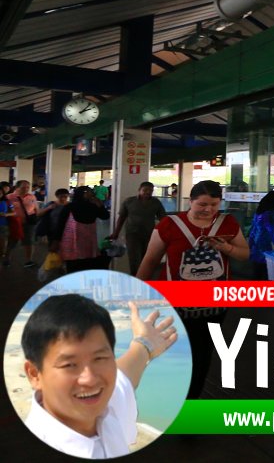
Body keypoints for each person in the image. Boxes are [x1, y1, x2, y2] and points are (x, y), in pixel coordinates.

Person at [21, 294, 177, 459]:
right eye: (69, 365)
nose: (90, 379)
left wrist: (145, 344)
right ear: (34, 374)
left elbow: (124, 375)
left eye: (99, 358)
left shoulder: (105, 407)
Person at [136, 180, 250, 398]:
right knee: (170, 349)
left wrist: (224, 246)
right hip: (174, 302)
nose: (209, 210)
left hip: (213, 304)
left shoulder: (228, 224)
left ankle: (190, 400)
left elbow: (244, 255)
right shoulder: (169, 225)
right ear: (191, 201)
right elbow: (150, 261)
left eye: (214, 205)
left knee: (201, 352)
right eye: (203, 205)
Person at [111, 182, 167, 278]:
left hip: (150, 234)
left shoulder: (156, 202)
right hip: (132, 234)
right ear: (139, 190)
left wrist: (165, 233)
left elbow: (163, 218)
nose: (148, 192)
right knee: (134, 258)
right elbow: (121, 218)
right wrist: (116, 233)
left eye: (150, 191)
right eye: (145, 190)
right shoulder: (129, 201)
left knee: (147, 258)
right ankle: (135, 277)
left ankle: (145, 278)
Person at [59, 187, 112, 274]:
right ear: (81, 194)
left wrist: (100, 205)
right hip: (74, 243)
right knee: (74, 267)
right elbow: (60, 225)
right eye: (88, 192)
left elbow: (105, 216)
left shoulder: (93, 206)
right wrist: (56, 240)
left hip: (88, 244)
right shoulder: (69, 207)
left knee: (86, 266)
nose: (91, 194)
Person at [247, 190, 274, 280]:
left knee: (258, 269)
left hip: (256, 242)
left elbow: (253, 228)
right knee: (264, 270)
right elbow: (270, 228)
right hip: (263, 243)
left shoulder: (261, 211)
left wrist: (250, 242)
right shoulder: (267, 214)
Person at [7, 179, 40, 268]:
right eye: (23, 187)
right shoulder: (9, 197)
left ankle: (29, 260)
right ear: (17, 187)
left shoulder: (32, 197)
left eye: (28, 187)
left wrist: (37, 217)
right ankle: (7, 259)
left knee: (29, 241)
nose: (26, 189)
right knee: (12, 241)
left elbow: (36, 209)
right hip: (15, 223)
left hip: (29, 223)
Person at [36, 188, 71, 253]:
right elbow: (39, 214)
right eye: (61, 197)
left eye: (65, 197)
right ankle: (54, 261)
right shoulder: (51, 204)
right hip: (52, 230)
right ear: (57, 196)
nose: (63, 199)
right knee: (53, 248)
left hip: (67, 230)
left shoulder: (70, 205)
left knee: (65, 249)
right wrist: (48, 208)